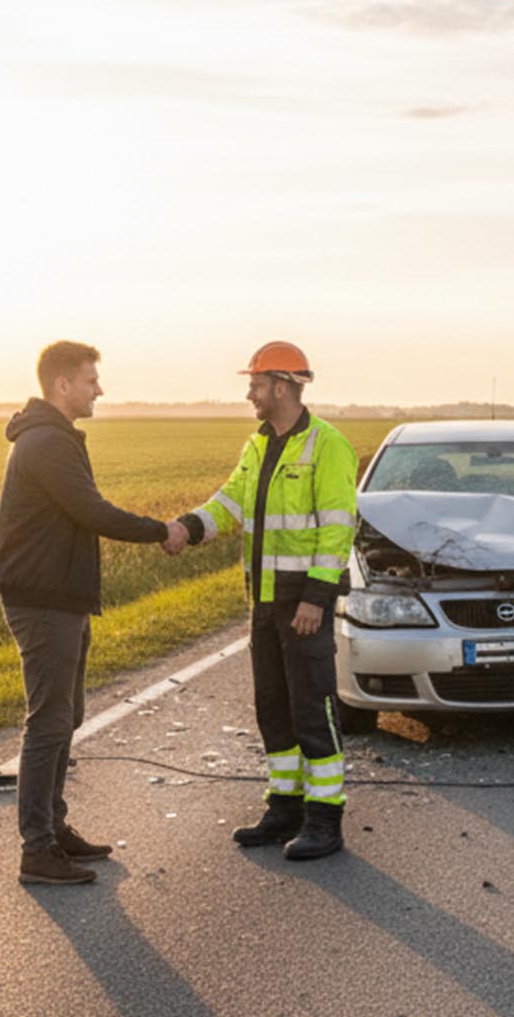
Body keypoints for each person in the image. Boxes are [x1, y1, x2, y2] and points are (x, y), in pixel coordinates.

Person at [164, 341, 358, 860]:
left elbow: (338, 530)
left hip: (303, 604)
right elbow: (228, 505)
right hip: (266, 603)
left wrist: (317, 598)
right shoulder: (257, 447)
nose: (249, 392)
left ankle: (325, 817)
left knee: (312, 707)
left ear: (281, 385)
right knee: (272, 708)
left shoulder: (327, 445)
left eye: (254, 384)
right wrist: (185, 528)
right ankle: (284, 808)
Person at [0, 341, 172, 885]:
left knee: (65, 716)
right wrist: (164, 531)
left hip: (59, 597)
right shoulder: (46, 442)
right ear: (62, 385)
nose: (100, 389)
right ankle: (37, 849)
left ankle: (54, 828)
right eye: (91, 380)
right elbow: (90, 511)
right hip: (42, 599)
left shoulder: (53, 437)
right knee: (48, 721)